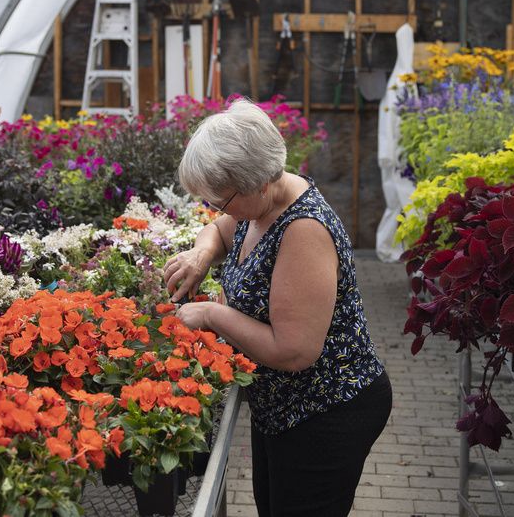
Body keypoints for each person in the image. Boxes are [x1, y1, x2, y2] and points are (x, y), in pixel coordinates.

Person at [164, 98, 391, 517]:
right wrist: (200, 255)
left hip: (326, 411)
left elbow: (294, 351)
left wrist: (213, 315)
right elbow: (218, 231)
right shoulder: (260, 205)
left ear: (258, 182)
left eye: (222, 198)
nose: (218, 208)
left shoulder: (304, 229)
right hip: (284, 408)